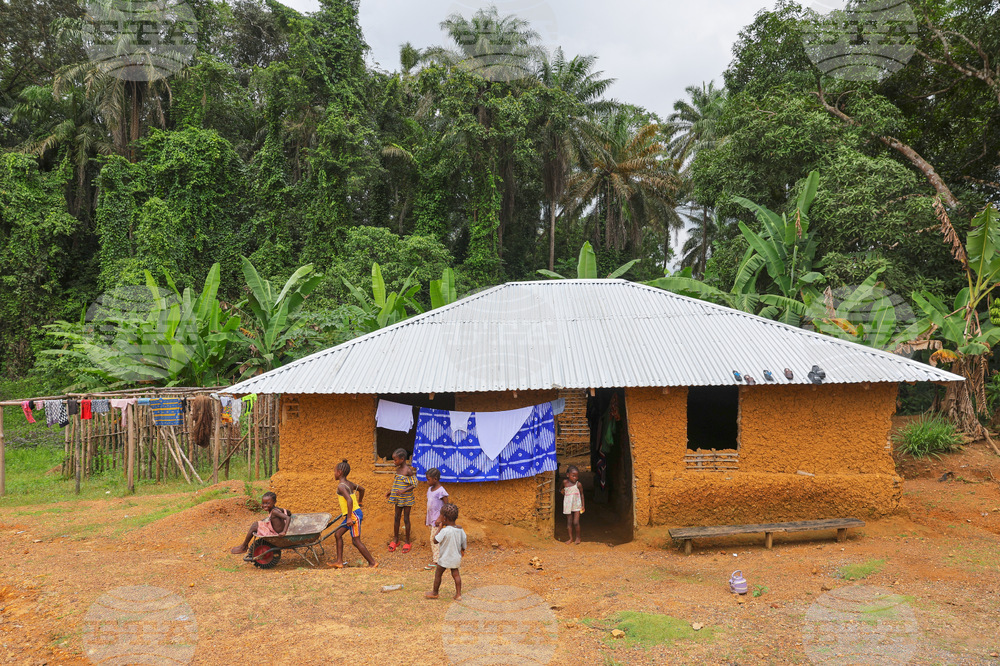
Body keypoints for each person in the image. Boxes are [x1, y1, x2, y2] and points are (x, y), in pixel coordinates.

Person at [327, 460, 378, 568]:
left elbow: (349, 501)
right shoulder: (349, 483)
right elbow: (362, 489)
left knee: (356, 540)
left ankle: (372, 563)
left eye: (335, 471)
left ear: (339, 472)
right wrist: (360, 501)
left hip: (353, 515)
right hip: (353, 513)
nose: (334, 473)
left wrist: (349, 517)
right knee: (338, 534)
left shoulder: (341, 486)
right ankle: (339, 561)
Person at [425, 503, 466, 601]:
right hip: (455, 557)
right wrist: (463, 550)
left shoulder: (445, 531)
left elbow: (435, 540)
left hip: (444, 558)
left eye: (440, 515)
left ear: (444, 518)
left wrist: (439, 527)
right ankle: (458, 594)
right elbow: (464, 541)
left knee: (438, 574)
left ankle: (435, 592)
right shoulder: (460, 530)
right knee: (456, 575)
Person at [385, 448, 417, 552]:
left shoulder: (408, 470)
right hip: (398, 498)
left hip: (407, 499)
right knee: (396, 517)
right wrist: (391, 491)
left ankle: (407, 541)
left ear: (402, 459)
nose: (394, 462)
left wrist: (403, 491)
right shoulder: (398, 470)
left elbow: (414, 484)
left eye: (395, 460)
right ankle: (396, 540)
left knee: (406, 519)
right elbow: (397, 483)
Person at [423, 467, 450, 570]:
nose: (427, 481)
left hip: (438, 520)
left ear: (435, 479)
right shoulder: (429, 489)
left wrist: (442, 518)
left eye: (428, 479)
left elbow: (446, 505)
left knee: (434, 539)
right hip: (431, 518)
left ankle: (437, 561)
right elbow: (429, 504)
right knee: (437, 539)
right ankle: (441, 558)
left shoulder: (441, 491)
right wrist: (426, 517)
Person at [561, 465, 584, 544]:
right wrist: (562, 492)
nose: (575, 478)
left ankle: (578, 537)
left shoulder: (578, 484)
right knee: (569, 522)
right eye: (573, 476)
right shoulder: (565, 483)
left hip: (577, 505)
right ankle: (570, 538)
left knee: (576, 522)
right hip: (568, 505)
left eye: (577, 476)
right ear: (568, 475)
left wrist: (583, 505)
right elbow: (560, 489)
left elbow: (582, 495)